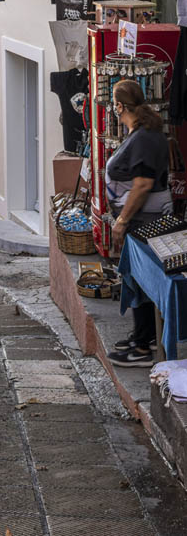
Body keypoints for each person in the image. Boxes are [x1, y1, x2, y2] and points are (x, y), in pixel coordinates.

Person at [106, 79, 172, 368]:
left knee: (141, 279)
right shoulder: (142, 133)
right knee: (136, 277)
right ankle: (140, 337)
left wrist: (122, 220)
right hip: (139, 220)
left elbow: (143, 184)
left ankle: (143, 346)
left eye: (113, 102)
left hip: (142, 220)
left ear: (120, 106)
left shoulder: (144, 137)